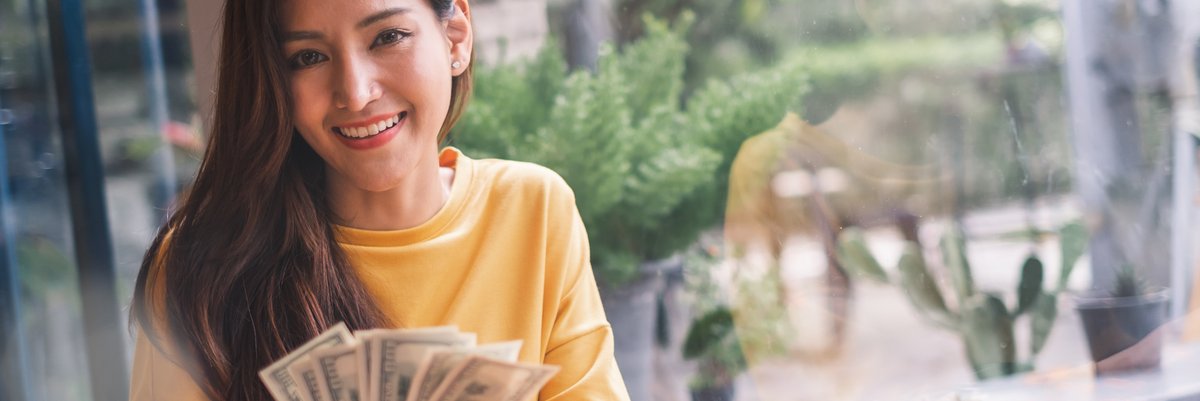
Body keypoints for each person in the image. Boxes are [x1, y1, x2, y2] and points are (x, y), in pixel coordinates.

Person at [127, 0, 630, 399]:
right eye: (308, 57)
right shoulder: (201, 269)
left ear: (455, 36)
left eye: (388, 37)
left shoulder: (535, 212)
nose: (356, 91)